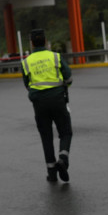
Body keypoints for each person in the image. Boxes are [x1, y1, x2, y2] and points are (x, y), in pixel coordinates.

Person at [21, 28, 73, 182]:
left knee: (46, 136)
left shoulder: (26, 62)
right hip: (58, 99)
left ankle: (51, 173)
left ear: (31, 43)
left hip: (39, 103)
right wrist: (63, 87)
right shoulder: (55, 57)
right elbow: (69, 78)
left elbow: (27, 84)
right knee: (65, 132)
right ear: (45, 41)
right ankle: (63, 158)